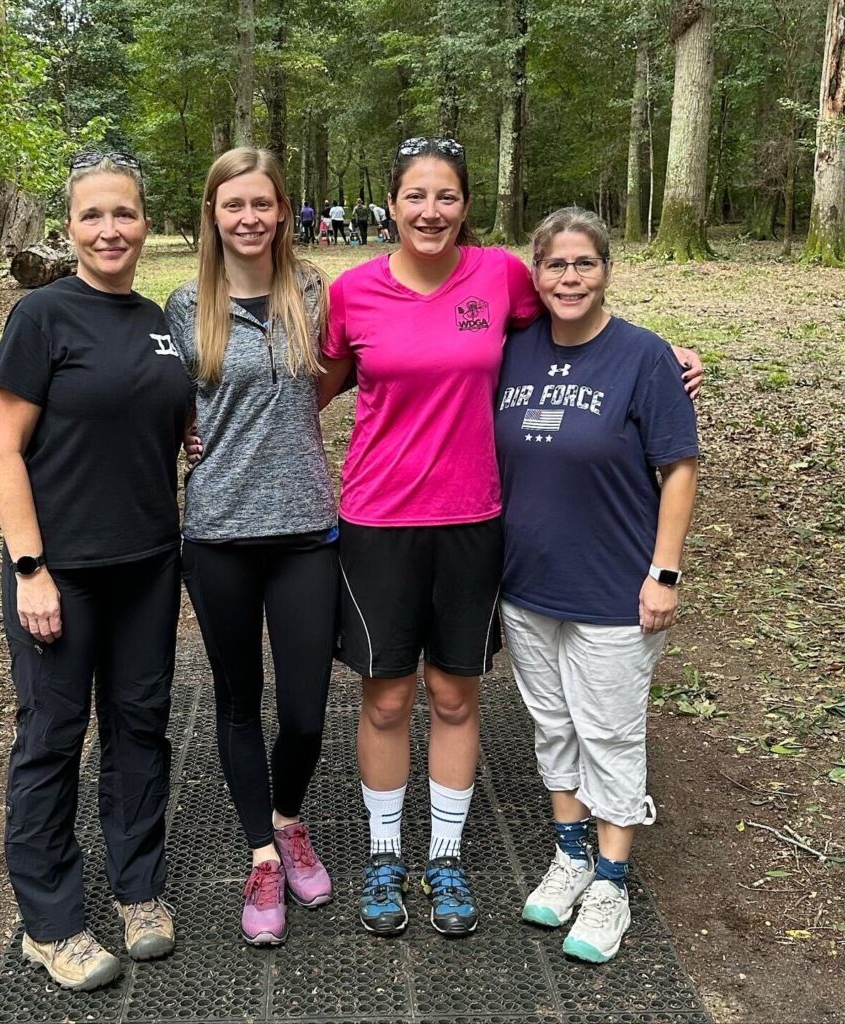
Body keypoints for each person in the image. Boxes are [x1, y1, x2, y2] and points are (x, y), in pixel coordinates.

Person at [316, 137, 702, 940]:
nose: (431, 211)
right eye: (416, 196)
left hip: (474, 522)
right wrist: (208, 432)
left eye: (447, 196)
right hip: (380, 522)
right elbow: (306, 395)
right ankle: (387, 856)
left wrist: (666, 357)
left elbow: (582, 316)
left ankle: (446, 858)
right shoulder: (352, 293)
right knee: (386, 698)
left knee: (456, 695)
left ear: (466, 206)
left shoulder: (498, 278)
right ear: (391, 204)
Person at [0, 152, 192, 990]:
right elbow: (3, 447)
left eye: (125, 214)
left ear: (146, 223)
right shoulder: (41, 316)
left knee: (141, 727)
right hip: (59, 571)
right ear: (69, 227)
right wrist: (30, 567)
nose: (110, 229)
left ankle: (139, 890)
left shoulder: (160, 321)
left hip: (148, 564)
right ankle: (52, 921)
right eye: (93, 215)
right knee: (52, 740)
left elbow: (164, 416)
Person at [496, 207, 698, 963]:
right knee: (554, 728)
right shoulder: (513, 353)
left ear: (607, 269)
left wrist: (664, 573)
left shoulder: (644, 357)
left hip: (616, 587)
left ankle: (612, 883)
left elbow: (679, 467)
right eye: (556, 265)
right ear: (536, 274)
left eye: (585, 263)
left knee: (609, 733)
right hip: (527, 584)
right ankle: (571, 855)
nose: (570, 278)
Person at [165, 147, 338, 947]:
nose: (248, 218)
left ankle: (289, 818)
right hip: (219, 533)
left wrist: (658, 358)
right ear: (213, 213)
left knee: (304, 712)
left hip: (305, 529)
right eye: (232, 204)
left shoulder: (314, 293)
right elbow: (145, 400)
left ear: (282, 210)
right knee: (238, 703)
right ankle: (264, 857)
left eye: (261, 204)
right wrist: (182, 439)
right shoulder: (180, 305)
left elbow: (392, 353)